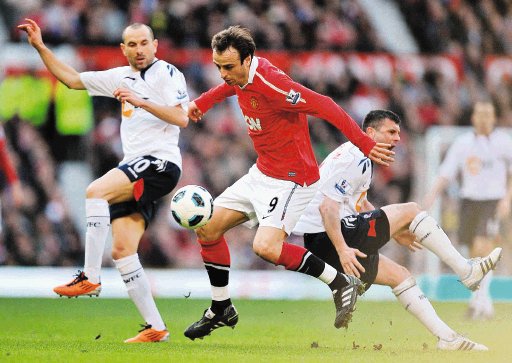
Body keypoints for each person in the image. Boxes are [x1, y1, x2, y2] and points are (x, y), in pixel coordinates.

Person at [184, 26, 395, 341]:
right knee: (208, 229)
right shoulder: (239, 77)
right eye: (218, 66)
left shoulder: (273, 83)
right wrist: (204, 101)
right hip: (262, 172)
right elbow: (232, 87)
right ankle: (221, 308)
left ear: (248, 60)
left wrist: (365, 144)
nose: (223, 73)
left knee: (266, 247)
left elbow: (325, 105)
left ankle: (340, 283)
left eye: (228, 66)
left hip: (292, 179)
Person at [18, 19, 189, 343]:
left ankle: (90, 277)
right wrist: (41, 47)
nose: (139, 50)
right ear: (123, 49)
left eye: (144, 43)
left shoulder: (166, 74)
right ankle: (156, 327)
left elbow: (181, 117)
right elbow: (71, 79)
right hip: (136, 167)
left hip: (160, 163)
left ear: (154, 46)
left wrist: (141, 101)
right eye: (132, 45)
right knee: (123, 251)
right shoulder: (118, 77)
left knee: (95, 190)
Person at [293, 109, 501, 351]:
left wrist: (396, 228)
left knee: (400, 276)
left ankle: (447, 338)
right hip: (329, 236)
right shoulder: (353, 158)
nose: (397, 139)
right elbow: (327, 208)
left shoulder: (360, 156)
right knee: (412, 209)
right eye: (391, 132)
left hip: (326, 239)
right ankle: (467, 271)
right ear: (370, 132)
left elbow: (359, 205)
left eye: (399, 133)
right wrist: (342, 249)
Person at [424, 101, 512, 320]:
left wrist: (507, 199)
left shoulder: (504, 142)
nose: (483, 118)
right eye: (479, 114)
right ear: (473, 118)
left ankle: (479, 301)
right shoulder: (463, 143)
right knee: (473, 251)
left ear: (494, 118)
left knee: (485, 245)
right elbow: (446, 172)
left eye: (487, 114)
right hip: (468, 202)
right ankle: (484, 301)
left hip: (493, 201)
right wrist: (431, 195)